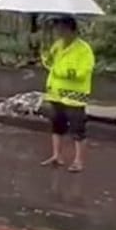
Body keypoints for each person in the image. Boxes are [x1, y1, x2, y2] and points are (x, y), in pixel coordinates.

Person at [40, 16, 94, 173]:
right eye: (57, 29)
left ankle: (78, 161)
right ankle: (56, 155)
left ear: (71, 29)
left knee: (78, 129)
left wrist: (60, 72)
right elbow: (50, 64)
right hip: (56, 93)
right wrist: (45, 56)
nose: (58, 32)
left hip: (74, 96)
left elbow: (83, 72)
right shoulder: (58, 45)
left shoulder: (83, 49)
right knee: (57, 125)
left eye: (61, 28)